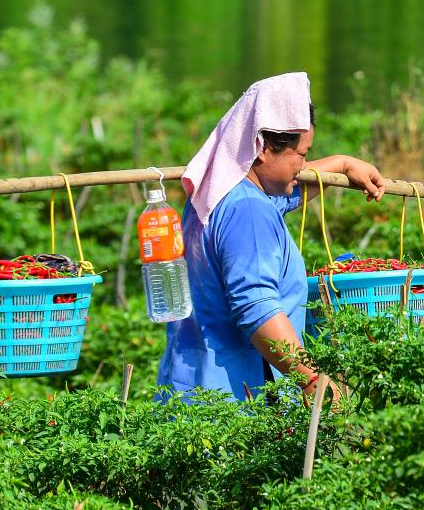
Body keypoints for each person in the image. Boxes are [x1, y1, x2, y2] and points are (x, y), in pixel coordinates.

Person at [156, 72, 386, 404]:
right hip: (235, 404)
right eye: (301, 154)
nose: (304, 166)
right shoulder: (248, 211)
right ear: (263, 147)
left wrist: (343, 164)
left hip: (191, 387)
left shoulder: (216, 194)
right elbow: (257, 309)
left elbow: (279, 195)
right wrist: (312, 380)